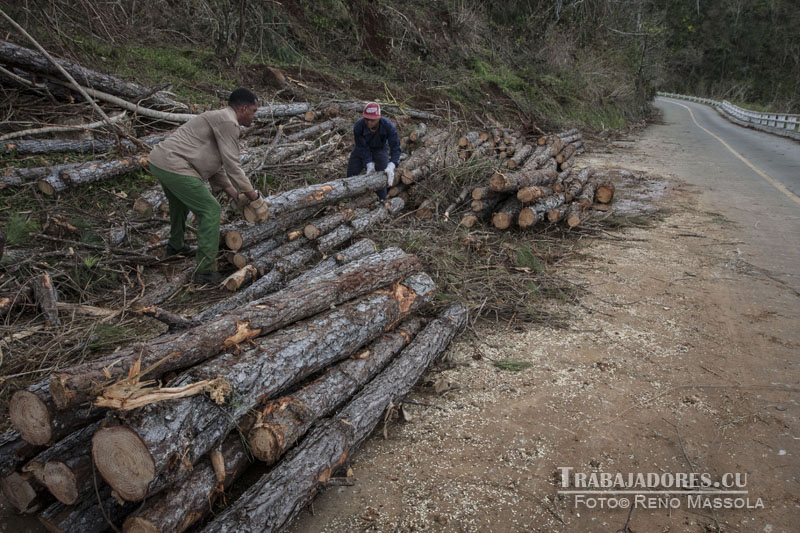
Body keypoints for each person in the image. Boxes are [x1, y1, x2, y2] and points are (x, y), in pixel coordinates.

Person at [147, 88, 268, 285]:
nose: (254, 115)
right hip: (175, 164)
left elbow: (216, 164)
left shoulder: (221, 119)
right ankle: (204, 271)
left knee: (179, 203)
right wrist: (254, 197)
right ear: (244, 108)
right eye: (254, 111)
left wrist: (234, 194)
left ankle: (175, 246)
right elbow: (232, 165)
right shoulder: (229, 122)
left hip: (161, 161)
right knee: (211, 210)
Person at [346, 102, 402, 200]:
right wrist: (369, 163)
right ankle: (350, 198)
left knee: (380, 177)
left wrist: (392, 164)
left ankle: (381, 200)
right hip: (361, 149)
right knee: (351, 173)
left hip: (380, 149)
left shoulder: (388, 126)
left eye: (372, 120)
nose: (369, 123)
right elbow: (362, 147)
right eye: (366, 119)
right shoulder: (359, 126)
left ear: (379, 117)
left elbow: (396, 147)